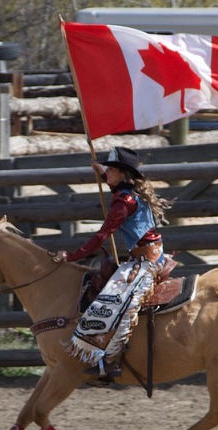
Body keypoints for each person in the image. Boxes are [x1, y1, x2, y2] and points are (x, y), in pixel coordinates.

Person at [53, 146, 171, 379]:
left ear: (121, 174)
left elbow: (101, 236)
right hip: (145, 256)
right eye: (107, 169)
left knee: (124, 303)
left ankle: (112, 359)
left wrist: (71, 256)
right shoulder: (129, 191)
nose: (108, 173)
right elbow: (110, 180)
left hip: (147, 261)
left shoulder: (123, 202)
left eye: (111, 169)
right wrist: (99, 169)